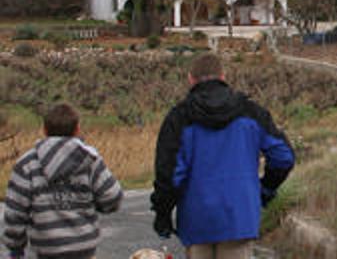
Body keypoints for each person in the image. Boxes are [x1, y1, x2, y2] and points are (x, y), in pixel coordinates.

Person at [151, 53, 295, 258]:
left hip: (196, 220)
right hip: (239, 219)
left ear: (190, 79)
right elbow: (284, 157)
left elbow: (169, 175)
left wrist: (162, 213)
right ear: (223, 77)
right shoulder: (250, 112)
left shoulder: (179, 117)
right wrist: (265, 189)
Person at [3, 103, 123, 259]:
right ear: (77, 129)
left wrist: (15, 248)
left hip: (46, 251)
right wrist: (94, 205)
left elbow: (15, 213)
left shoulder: (27, 164)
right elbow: (112, 197)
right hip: (85, 250)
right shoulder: (90, 161)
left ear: (44, 130)